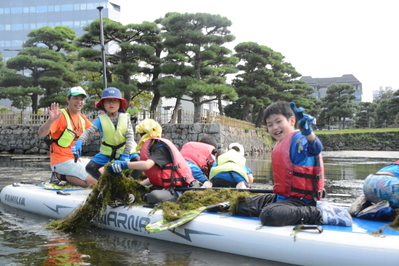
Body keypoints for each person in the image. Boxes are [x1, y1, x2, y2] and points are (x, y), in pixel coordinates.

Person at [234, 101, 352, 227]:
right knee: (240, 205)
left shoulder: (300, 139)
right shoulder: (280, 143)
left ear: (291, 121)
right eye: (270, 125)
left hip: (301, 202)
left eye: (279, 122)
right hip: (282, 198)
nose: (274, 127)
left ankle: (319, 213)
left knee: (269, 215)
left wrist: (308, 133)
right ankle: (281, 210)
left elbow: (316, 148)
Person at [108, 119, 200, 205]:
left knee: (154, 196)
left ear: (144, 135)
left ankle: (140, 198)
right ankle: (130, 198)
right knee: (135, 190)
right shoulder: (153, 149)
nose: (138, 137)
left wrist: (124, 165)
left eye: (139, 135)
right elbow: (155, 176)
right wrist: (138, 186)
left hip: (176, 190)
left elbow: (146, 165)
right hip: (164, 188)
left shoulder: (161, 149)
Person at [71, 87, 137, 180]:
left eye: (114, 101)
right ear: (103, 104)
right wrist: (79, 142)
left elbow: (130, 137)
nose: (111, 103)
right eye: (107, 101)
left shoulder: (125, 118)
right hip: (108, 152)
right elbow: (89, 131)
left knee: (138, 162)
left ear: (119, 104)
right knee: (90, 168)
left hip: (126, 150)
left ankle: (129, 184)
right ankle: (105, 183)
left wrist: (125, 155)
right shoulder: (100, 120)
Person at [38, 86, 97, 187]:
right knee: (94, 182)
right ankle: (59, 176)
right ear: (68, 99)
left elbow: (98, 132)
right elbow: (41, 133)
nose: (79, 102)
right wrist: (50, 120)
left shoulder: (82, 118)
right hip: (61, 161)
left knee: (105, 170)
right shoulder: (60, 115)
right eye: (75, 98)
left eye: (81, 99)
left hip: (76, 159)